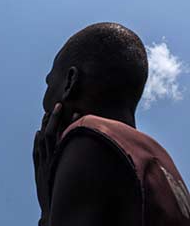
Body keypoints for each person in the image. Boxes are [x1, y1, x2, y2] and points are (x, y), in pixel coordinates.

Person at [33, 22, 190, 226]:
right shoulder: (161, 160)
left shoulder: (87, 136)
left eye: (49, 84)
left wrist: (47, 211)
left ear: (70, 83)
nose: (44, 104)